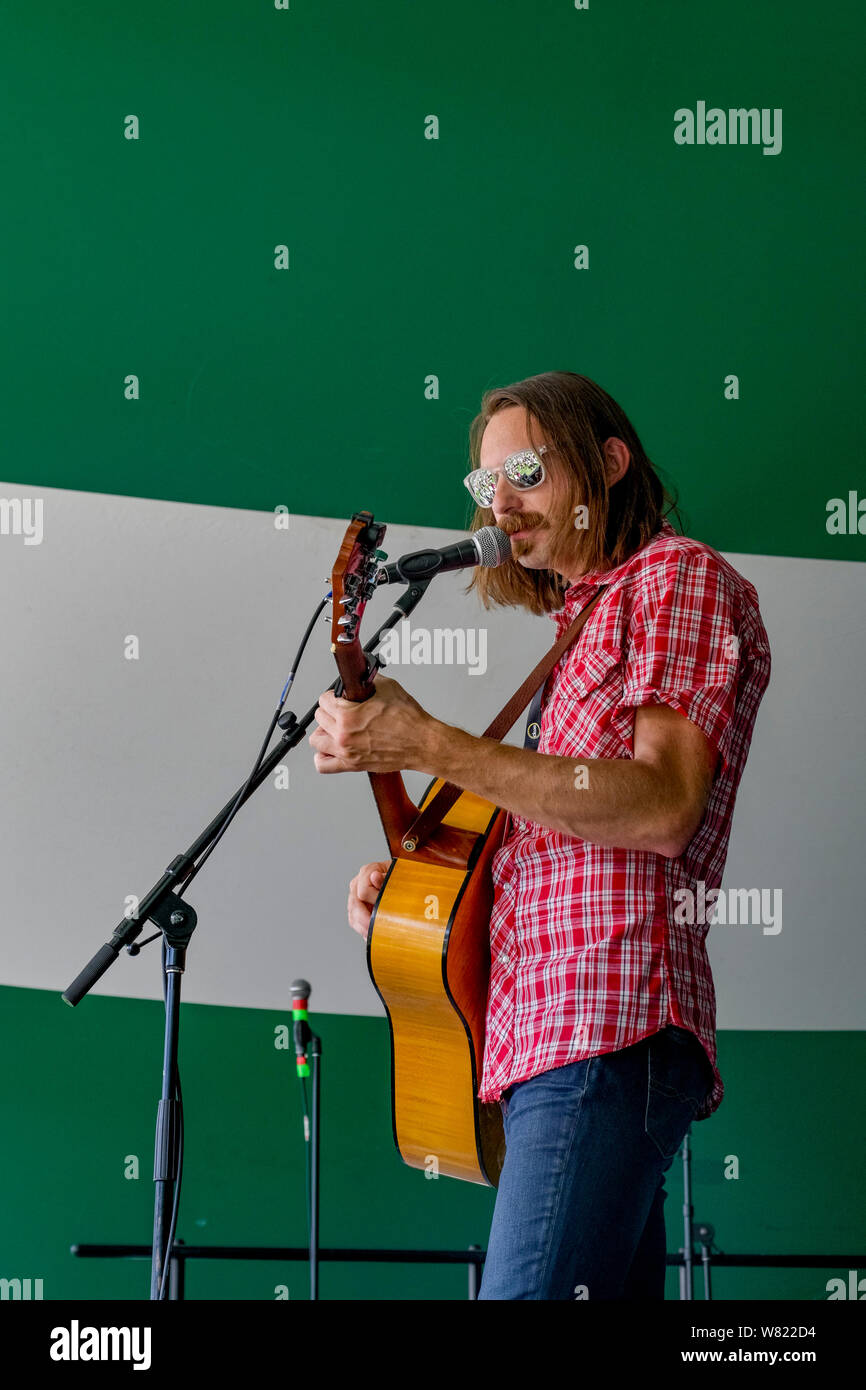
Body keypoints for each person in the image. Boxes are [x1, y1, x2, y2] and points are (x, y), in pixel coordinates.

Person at [309, 370, 771, 1300]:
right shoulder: (579, 626)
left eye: (524, 471)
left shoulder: (676, 577)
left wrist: (430, 741)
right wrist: (414, 897)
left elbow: (661, 806)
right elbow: (556, 840)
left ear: (608, 461)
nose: (500, 504)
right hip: (554, 1042)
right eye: (485, 486)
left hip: (605, 1027)